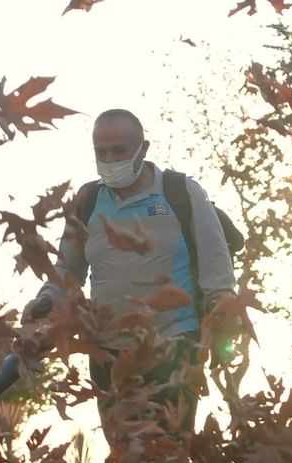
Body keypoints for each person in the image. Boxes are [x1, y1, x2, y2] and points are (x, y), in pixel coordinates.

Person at [23, 109, 236, 443]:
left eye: (118, 151)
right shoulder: (88, 201)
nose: (109, 160)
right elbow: (66, 270)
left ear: (143, 148)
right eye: (101, 152)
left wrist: (223, 331)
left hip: (173, 352)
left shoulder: (180, 193)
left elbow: (217, 272)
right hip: (109, 356)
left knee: (164, 460)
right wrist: (47, 301)